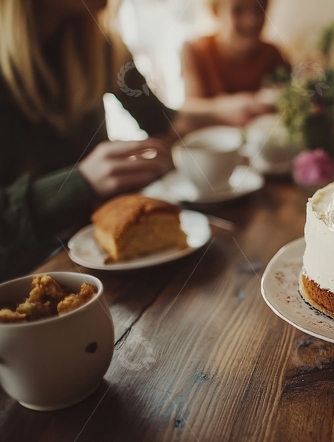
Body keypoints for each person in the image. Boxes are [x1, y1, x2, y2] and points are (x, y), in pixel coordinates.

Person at [0, 0, 244, 280]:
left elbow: (161, 118)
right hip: (24, 277)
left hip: (104, 259)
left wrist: (225, 110)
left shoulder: (103, 45)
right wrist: (81, 182)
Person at [181, 0, 289, 126]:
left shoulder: (272, 53)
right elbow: (187, 110)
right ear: (216, 10)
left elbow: (293, 97)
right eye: (238, 10)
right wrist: (222, 108)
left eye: (260, 9)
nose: (251, 20)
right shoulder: (195, 50)